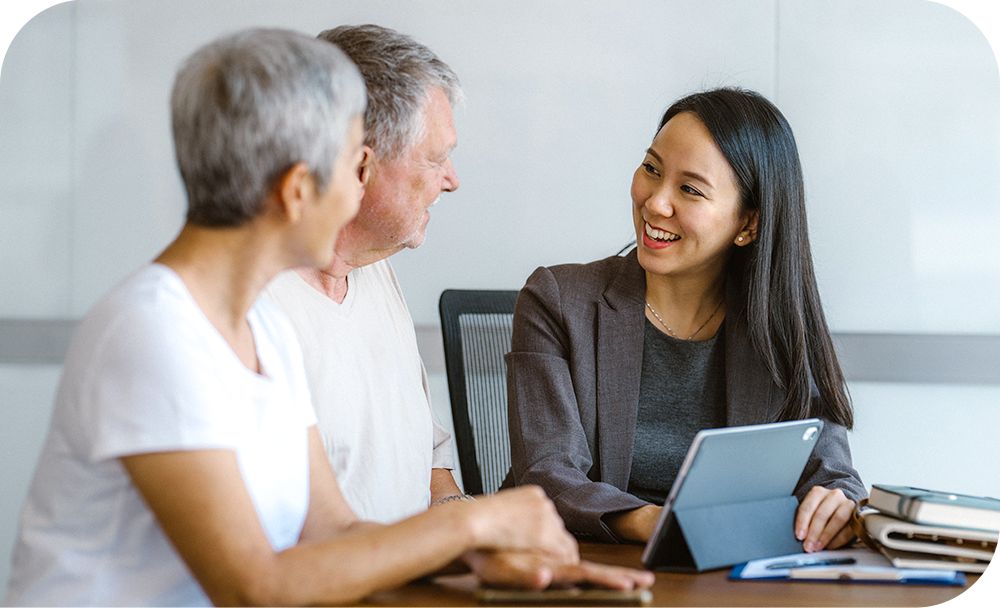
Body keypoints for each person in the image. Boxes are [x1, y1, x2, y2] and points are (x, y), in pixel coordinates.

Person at [3, 28, 652, 606]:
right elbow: (253, 586)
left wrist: (482, 559)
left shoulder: (259, 333)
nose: (358, 189)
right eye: (352, 166)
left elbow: (333, 531)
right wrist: (472, 524)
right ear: (294, 191)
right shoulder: (154, 331)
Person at [506, 88, 865, 553]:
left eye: (690, 189)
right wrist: (661, 524)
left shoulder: (780, 328)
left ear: (748, 225)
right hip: (583, 566)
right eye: (652, 169)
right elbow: (546, 473)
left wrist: (835, 504)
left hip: (732, 579)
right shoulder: (557, 301)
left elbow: (834, 475)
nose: (656, 203)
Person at [263, 24, 466, 521]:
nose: (452, 180)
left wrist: (463, 520)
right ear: (361, 167)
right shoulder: (252, 309)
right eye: (436, 159)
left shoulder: (376, 271)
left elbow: (430, 460)